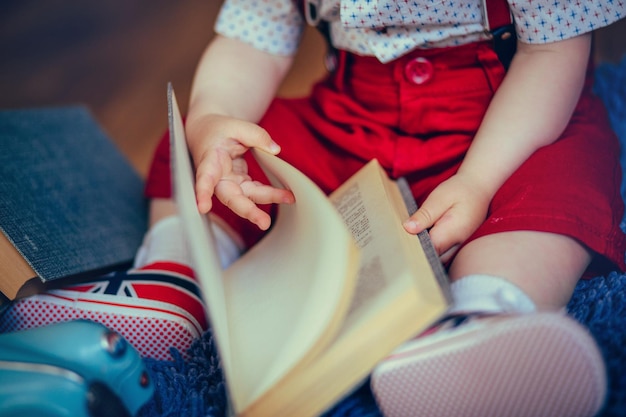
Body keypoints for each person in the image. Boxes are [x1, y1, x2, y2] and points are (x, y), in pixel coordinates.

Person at [137, 1, 626, 416]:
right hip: (348, 122)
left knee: (563, 180)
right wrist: (213, 119)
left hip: (507, 120)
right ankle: (178, 272)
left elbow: (552, 53)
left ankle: (488, 312)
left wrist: (478, 182)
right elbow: (251, 41)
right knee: (199, 146)